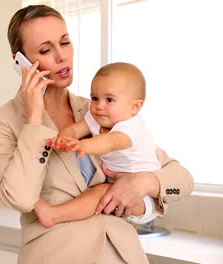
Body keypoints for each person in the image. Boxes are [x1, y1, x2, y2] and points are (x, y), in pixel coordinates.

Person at [0, 4, 194, 264]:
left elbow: (181, 180)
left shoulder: (100, 109)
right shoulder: (1, 121)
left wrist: (144, 183)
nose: (62, 57)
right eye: (46, 50)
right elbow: (22, 198)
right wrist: (34, 120)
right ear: (20, 61)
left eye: (65, 42)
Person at [34, 62, 160, 229]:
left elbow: (110, 142)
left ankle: (54, 215)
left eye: (109, 100)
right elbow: (75, 129)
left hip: (143, 197)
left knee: (101, 192)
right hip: (118, 185)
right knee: (102, 191)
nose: (99, 106)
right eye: (95, 98)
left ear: (134, 107)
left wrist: (82, 146)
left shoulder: (131, 126)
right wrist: (63, 140)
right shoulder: (97, 117)